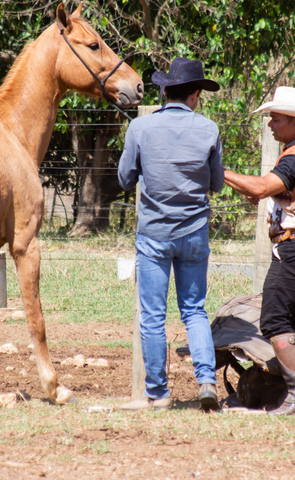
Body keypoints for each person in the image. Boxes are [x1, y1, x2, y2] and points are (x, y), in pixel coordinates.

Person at [117, 57, 224, 411]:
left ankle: (158, 394)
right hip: (194, 233)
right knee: (194, 310)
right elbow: (217, 184)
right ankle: (207, 382)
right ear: (195, 94)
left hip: (154, 234)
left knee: (152, 316)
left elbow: (124, 178)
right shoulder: (209, 129)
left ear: (164, 92)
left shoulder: (140, 129)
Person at [223, 86, 295, 415]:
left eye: (276, 118)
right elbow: (270, 192)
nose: (270, 124)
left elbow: (260, 187)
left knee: (273, 320)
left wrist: (218, 171)